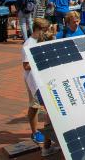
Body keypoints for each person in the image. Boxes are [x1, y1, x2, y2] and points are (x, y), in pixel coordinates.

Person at [22, 18, 61, 157]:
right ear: (38, 29)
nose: (46, 32)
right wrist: (41, 61)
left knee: (42, 109)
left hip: (42, 82)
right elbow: (26, 66)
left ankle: (46, 141)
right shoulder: (29, 44)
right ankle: (35, 133)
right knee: (35, 107)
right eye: (45, 30)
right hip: (34, 82)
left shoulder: (40, 42)